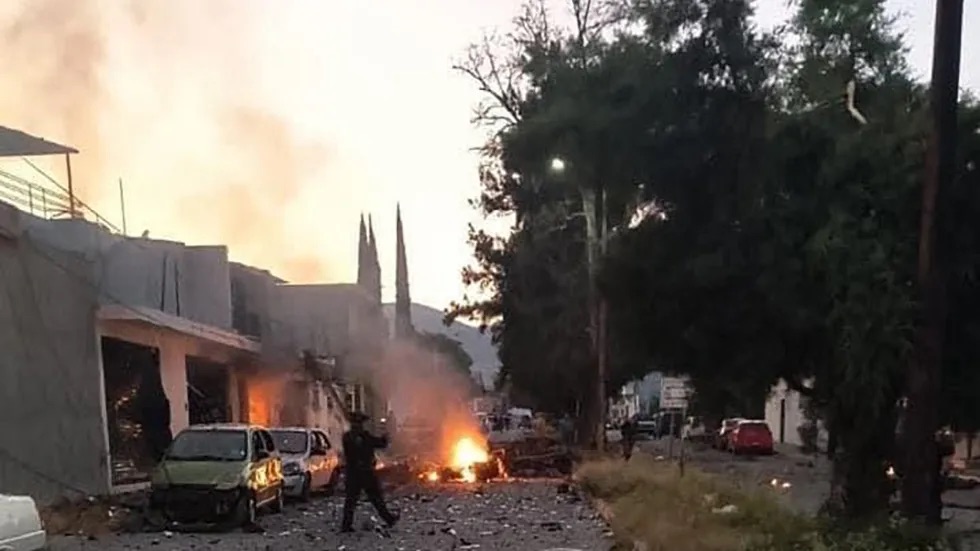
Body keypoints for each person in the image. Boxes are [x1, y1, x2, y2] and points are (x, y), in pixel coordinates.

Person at [340, 412, 399, 533]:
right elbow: (381, 443)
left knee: (352, 500)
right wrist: (386, 435)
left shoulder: (347, 437)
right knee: (375, 498)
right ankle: (389, 519)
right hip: (365, 473)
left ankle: (346, 525)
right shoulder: (363, 437)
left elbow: (379, 443)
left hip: (354, 473)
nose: (359, 426)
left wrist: (384, 436)